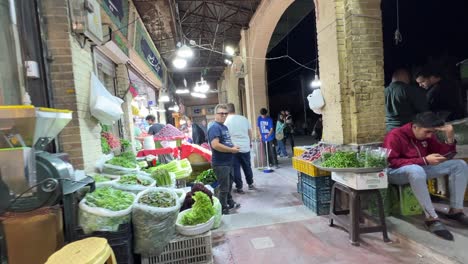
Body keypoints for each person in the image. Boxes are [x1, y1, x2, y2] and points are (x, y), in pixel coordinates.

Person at [383, 112, 468, 240]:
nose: (430, 135)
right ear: (415, 127)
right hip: (395, 173)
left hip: (420, 169)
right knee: (416, 170)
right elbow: (391, 162)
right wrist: (424, 160)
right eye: (427, 132)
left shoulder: (428, 136)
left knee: (459, 165)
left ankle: (456, 210)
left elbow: (444, 154)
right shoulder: (395, 135)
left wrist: (450, 137)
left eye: (432, 132)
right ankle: (431, 218)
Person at [208, 104, 241, 214]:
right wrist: (232, 150)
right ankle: (222, 208)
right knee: (223, 187)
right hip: (220, 163)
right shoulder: (214, 127)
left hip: (228, 161)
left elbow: (225, 141)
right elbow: (215, 145)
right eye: (221, 113)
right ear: (215, 114)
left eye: (225, 113)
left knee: (229, 184)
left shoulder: (224, 127)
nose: (223, 115)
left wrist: (233, 147)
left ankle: (230, 202)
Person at [224, 103, 255, 194]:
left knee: (235, 168)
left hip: (233, 149)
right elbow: (250, 132)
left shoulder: (226, 121)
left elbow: (226, 136)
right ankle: (250, 184)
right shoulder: (244, 119)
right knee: (247, 166)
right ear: (235, 109)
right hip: (245, 147)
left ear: (227, 111)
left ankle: (239, 187)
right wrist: (249, 143)